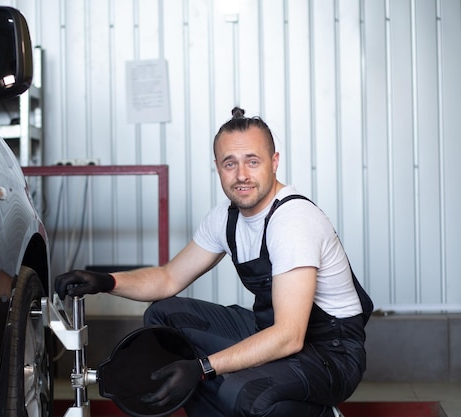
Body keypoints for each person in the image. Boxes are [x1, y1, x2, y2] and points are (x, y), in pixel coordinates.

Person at [55, 108, 373, 417]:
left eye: (253, 161)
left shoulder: (292, 221)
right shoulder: (226, 216)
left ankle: (318, 413)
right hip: (272, 329)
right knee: (163, 314)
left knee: (243, 393)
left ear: (274, 163)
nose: (241, 175)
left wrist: (202, 368)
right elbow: (168, 278)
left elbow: (290, 335)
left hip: (331, 354)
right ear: (217, 167)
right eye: (229, 163)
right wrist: (106, 281)